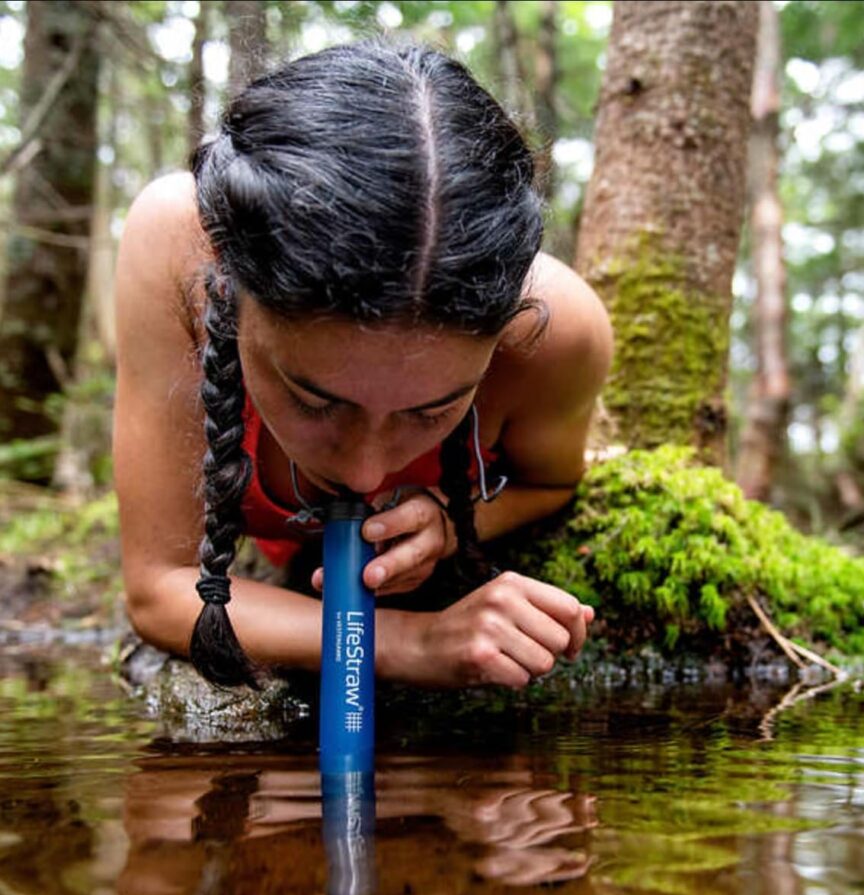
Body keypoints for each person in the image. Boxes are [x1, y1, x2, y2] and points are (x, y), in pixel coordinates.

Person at [113, 41, 612, 690]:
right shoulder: (179, 251)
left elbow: (548, 485)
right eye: (316, 401)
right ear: (232, 280)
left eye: (431, 411)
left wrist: (451, 521)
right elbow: (159, 588)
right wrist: (406, 642)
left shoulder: (556, 330)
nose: (363, 470)